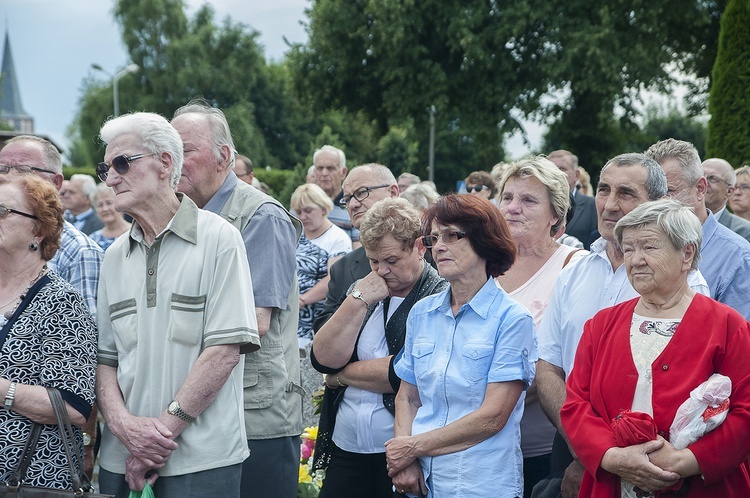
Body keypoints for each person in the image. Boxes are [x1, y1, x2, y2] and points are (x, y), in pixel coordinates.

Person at [95, 112, 260, 498]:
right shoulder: (114, 256)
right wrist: (125, 430)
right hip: (121, 461)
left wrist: (158, 438)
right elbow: (105, 362)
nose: (111, 177)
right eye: (106, 167)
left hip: (201, 462)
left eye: (122, 163)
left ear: (165, 162)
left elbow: (223, 353)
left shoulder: (220, 238)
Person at [536, 153, 709, 498]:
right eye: (603, 190)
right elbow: (548, 367)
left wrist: (614, 455)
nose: (610, 204)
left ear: (659, 203)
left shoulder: (685, 285)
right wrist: (586, 448)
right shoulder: (573, 272)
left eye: (626, 193)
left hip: (653, 455)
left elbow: (683, 393)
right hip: (569, 441)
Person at [561, 199, 750, 497]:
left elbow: (746, 411)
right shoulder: (600, 324)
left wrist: (684, 461)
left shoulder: (728, 325)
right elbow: (576, 405)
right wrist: (611, 456)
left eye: (649, 247)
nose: (635, 260)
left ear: (687, 253)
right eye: (629, 248)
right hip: (614, 483)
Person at [171, 100, 304, 498]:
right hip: (206, 405)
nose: (172, 163)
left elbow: (255, 321)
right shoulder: (184, 218)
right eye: (167, 153)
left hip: (256, 415)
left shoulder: (261, 216)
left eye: (185, 151)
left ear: (224, 156)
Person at [386, 194, 537, 498]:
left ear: (485, 241)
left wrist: (411, 446)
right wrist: (404, 462)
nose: (439, 246)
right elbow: (408, 396)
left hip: (480, 484)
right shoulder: (422, 313)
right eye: (433, 238)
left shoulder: (512, 319)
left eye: (452, 235)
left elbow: (493, 416)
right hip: (421, 483)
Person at [310, 197, 447, 498]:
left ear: (420, 247)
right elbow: (322, 359)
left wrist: (341, 376)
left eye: (392, 260)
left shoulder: (439, 293)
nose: (382, 271)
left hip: (403, 447)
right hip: (347, 444)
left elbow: (405, 372)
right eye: (373, 261)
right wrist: (357, 300)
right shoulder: (366, 286)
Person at [0, 135, 104, 477]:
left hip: (30, 478)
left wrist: (4, 391)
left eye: (2, 211)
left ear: (38, 229)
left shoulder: (60, 301)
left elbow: (75, 406)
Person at [494, 156, 586, 497]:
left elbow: (572, 361)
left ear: (556, 216)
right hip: (476, 447)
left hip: (546, 450)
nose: (513, 208)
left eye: (529, 200)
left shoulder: (574, 268)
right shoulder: (480, 263)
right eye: (508, 197)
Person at [645, 139, 750, 319]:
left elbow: (736, 340)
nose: (657, 204)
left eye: (669, 192)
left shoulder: (737, 257)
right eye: (652, 195)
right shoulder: (639, 250)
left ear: (700, 188)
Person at [312, 164, 400, 333]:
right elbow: (322, 335)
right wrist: (356, 300)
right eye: (347, 199)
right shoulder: (342, 268)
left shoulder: (432, 255)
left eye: (361, 193)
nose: (352, 204)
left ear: (393, 193)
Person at [291, 183, 352, 348]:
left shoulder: (338, 238)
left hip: (317, 321)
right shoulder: (293, 233)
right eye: (299, 212)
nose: (303, 217)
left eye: (308, 211)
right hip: (289, 320)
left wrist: (302, 300)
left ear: (323, 209)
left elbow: (334, 278)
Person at [548, 150, 598, 250]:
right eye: (551, 170)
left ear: (576, 175)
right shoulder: (538, 207)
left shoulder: (593, 205)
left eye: (562, 169)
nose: (556, 174)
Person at [314, 145, 359, 244]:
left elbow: (358, 252)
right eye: (320, 168)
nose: (324, 173)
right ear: (314, 172)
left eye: (330, 168)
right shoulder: (302, 206)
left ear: (343, 172)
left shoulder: (354, 206)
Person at [701, 158, 750, 241]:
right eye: (701, 177)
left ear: (729, 191)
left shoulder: (744, 231)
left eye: (712, 178)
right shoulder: (681, 221)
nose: (704, 183)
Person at [89, 183, 131, 251]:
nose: (105, 209)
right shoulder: (93, 239)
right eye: (100, 205)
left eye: (109, 203)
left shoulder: (134, 234)